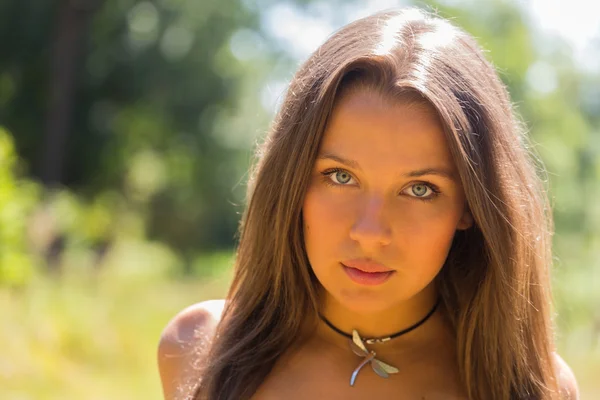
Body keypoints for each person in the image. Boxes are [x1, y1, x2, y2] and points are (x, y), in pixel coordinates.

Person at [157, 7, 579, 400]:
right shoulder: (196, 347)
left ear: (470, 206)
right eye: (341, 177)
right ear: (291, 184)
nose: (370, 232)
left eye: (420, 189)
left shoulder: (534, 386)